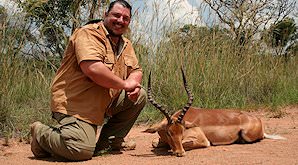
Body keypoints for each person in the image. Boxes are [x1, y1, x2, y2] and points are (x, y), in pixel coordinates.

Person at [30, 0, 147, 161]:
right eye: (116, 15)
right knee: (80, 150)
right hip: (76, 104)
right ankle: (40, 134)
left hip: (103, 102)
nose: (120, 20)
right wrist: (125, 84)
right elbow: (93, 69)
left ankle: (109, 142)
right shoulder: (88, 33)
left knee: (140, 95)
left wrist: (133, 85)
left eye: (125, 18)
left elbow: (136, 70)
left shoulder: (126, 44)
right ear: (105, 15)